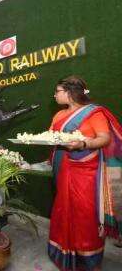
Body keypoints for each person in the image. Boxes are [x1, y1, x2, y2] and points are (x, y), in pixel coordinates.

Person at [48, 75, 122, 271]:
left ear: (70, 94)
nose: (54, 95)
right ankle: (63, 252)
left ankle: (88, 260)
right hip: (62, 168)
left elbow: (104, 138)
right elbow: (51, 137)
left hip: (86, 172)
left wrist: (83, 143)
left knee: (85, 215)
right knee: (62, 208)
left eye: (57, 92)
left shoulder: (93, 113)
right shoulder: (58, 115)